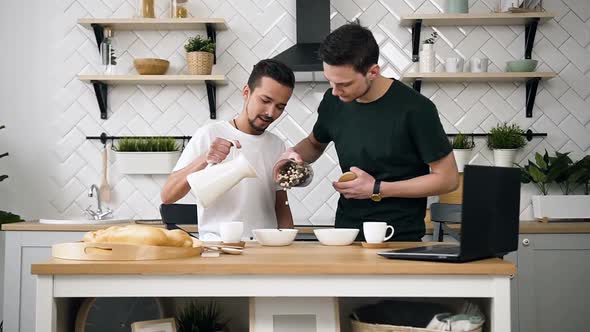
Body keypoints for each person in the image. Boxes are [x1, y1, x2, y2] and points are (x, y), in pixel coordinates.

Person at [275, 24, 459, 241]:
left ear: (373, 72)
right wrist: (295, 154)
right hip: (346, 234)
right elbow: (315, 144)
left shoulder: (416, 109)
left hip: (399, 239)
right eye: (330, 81)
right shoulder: (333, 101)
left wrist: (377, 188)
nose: (335, 91)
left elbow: (448, 179)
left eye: (343, 84)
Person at [162, 59, 295, 241]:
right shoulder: (210, 134)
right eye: (265, 100)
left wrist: (288, 244)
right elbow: (167, 195)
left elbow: (282, 204)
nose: (271, 113)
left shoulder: (277, 145)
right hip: (218, 248)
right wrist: (204, 159)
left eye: (280, 107)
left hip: (265, 249)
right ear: (246, 92)